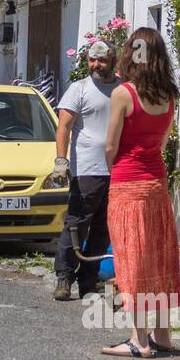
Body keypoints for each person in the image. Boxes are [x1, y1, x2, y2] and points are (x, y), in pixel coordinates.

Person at [100, 26, 180, 358]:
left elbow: (110, 145)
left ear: (132, 54)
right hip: (156, 185)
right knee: (160, 256)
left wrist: (114, 169)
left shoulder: (124, 94)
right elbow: (161, 144)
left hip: (127, 184)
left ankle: (139, 340)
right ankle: (163, 335)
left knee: (131, 259)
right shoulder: (170, 96)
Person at [50, 40, 120, 301]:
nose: (96, 65)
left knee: (104, 228)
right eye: (92, 59)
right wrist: (61, 161)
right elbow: (64, 126)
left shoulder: (122, 89)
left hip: (116, 170)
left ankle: (88, 280)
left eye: (101, 60)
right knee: (77, 224)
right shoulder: (79, 89)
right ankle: (64, 276)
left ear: (112, 60)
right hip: (87, 170)